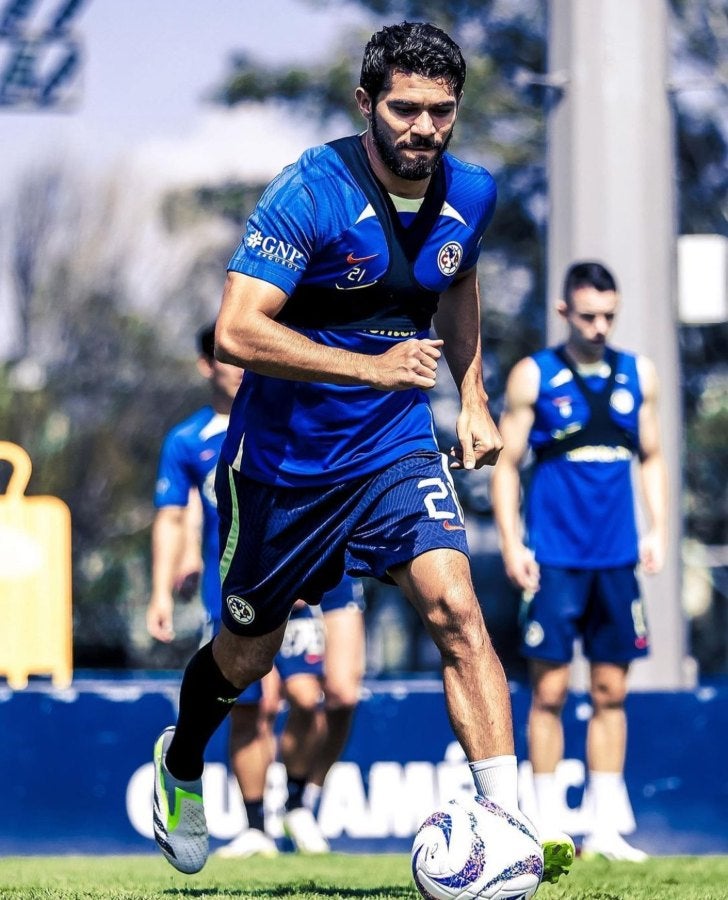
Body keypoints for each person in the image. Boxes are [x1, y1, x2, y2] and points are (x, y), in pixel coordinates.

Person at [151, 22, 572, 883]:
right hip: (282, 468)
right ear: (366, 103)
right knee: (248, 658)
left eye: (441, 112)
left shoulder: (473, 194)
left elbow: (457, 281)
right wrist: (370, 366)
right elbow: (236, 331)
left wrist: (474, 397)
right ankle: (182, 759)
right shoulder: (311, 191)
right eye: (406, 109)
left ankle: (508, 827)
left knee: (457, 608)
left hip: (393, 451)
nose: (424, 128)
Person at [491, 261, 668, 862]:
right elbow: (507, 466)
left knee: (611, 690)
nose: (599, 327)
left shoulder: (637, 374)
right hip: (555, 558)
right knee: (550, 691)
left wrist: (659, 529)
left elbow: (651, 455)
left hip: (617, 558)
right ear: (565, 311)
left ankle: (606, 825)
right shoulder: (533, 377)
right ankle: (542, 823)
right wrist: (514, 543)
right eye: (588, 315)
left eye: (609, 317)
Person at [146, 324, 346, 857]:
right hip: (234, 585)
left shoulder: (287, 417)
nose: (239, 365)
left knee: (312, 696)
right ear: (207, 363)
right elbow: (173, 518)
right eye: (227, 356)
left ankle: (298, 805)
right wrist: (161, 592)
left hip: (303, 580)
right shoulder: (189, 440)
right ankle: (257, 825)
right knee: (251, 704)